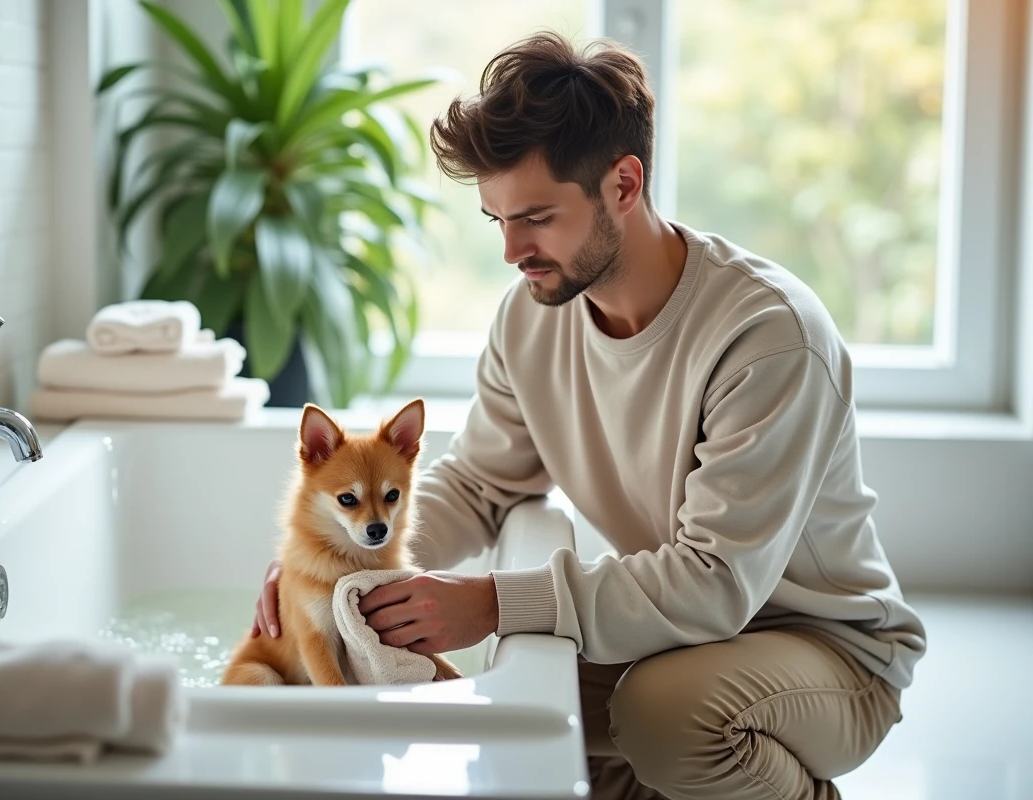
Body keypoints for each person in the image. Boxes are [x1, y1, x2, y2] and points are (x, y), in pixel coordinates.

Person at [249, 30, 926, 800]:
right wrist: (335, 565)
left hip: (827, 651)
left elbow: (715, 583)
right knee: (524, 709)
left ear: (624, 184)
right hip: (687, 633)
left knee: (662, 714)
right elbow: (478, 483)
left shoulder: (768, 340)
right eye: (495, 220)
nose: (512, 250)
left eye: (536, 217)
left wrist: (494, 602)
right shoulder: (532, 315)